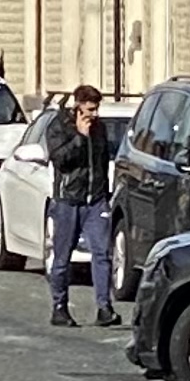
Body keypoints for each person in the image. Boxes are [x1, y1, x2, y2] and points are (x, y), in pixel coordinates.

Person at [44, 84, 119, 328]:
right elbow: (59, 160)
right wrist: (79, 137)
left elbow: (101, 161)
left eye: (96, 109)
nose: (94, 115)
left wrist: (104, 194)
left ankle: (104, 307)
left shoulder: (100, 129)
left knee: (101, 253)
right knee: (62, 257)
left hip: (95, 200)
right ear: (77, 107)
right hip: (68, 200)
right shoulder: (59, 126)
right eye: (89, 109)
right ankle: (59, 307)